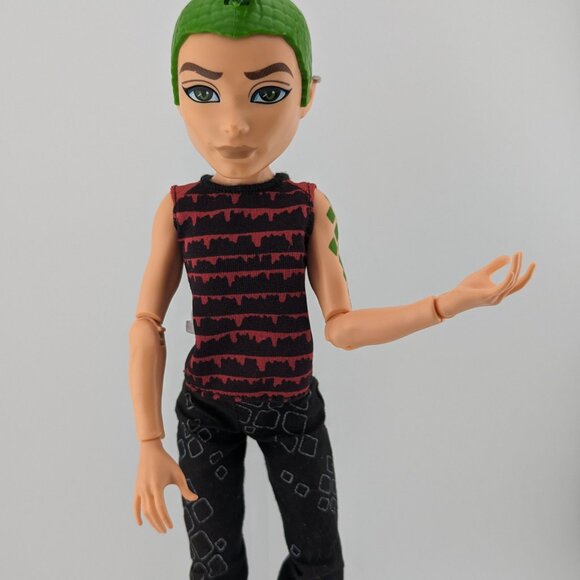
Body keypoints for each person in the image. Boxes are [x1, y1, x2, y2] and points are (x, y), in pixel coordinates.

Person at [128, 1, 536, 578]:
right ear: (176, 93)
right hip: (206, 411)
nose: (234, 123)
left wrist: (445, 304)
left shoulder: (306, 207)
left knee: (319, 561)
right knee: (213, 565)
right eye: (203, 92)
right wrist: (149, 440)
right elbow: (146, 326)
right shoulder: (179, 210)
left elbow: (341, 326)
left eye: (267, 92)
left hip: (292, 407)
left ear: (306, 95)